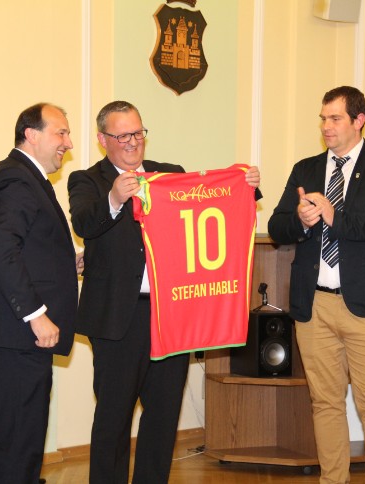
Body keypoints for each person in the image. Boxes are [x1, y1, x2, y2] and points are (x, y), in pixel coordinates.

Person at [68, 100, 260, 484]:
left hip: (171, 315)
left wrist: (246, 186)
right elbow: (84, 222)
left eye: (138, 133)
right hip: (117, 320)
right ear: (103, 139)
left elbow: (212, 200)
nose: (132, 142)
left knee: (163, 416)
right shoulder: (87, 180)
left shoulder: (170, 174)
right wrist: (115, 198)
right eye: (122, 135)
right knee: (113, 418)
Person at [267, 86, 365, 484]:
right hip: (314, 307)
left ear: (358, 120)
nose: (326, 126)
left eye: (335, 118)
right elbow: (277, 226)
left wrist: (337, 217)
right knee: (324, 403)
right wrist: (300, 220)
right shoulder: (306, 169)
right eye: (323, 118)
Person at [0, 103, 79, 483]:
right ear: (31, 134)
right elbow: (1, 249)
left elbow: (23, 247)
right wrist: (36, 314)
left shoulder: (24, 177)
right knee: (16, 443)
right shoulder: (16, 178)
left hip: (13, 336)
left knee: (6, 439)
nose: (68, 142)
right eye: (61, 132)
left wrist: (66, 262)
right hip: (17, 333)